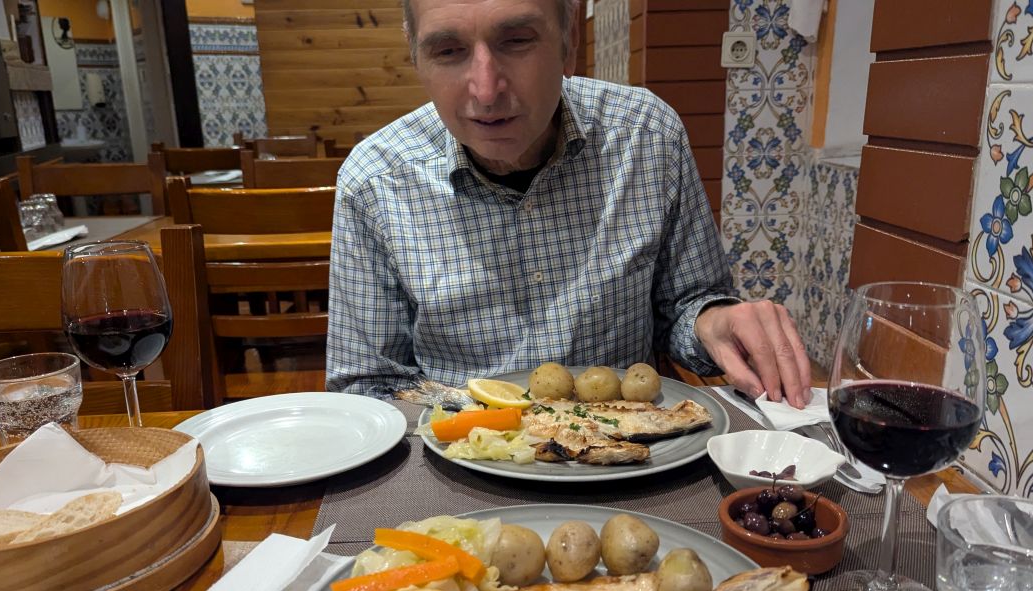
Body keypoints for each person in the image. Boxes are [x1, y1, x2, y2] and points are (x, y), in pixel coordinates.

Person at [325, 0, 812, 407]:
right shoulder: (374, 182)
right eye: (448, 50)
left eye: (517, 40)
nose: (486, 90)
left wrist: (714, 320)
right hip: (463, 459)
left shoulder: (648, 137)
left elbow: (686, 304)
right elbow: (369, 386)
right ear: (416, 57)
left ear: (569, 42)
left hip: (631, 454)